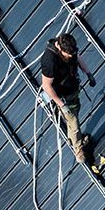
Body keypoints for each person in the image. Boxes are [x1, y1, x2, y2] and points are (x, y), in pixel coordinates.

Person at [40, 32, 96, 162]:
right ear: (60, 48)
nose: (71, 56)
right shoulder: (49, 60)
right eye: (68, 54)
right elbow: (46, 86)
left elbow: (77, 57)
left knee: (75, 115)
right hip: (64, 97)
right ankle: (78, 150)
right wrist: (61, 105)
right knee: (73, 123)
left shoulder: (69, 47)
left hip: (73, 90)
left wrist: (88, 73)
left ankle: (77, 139)